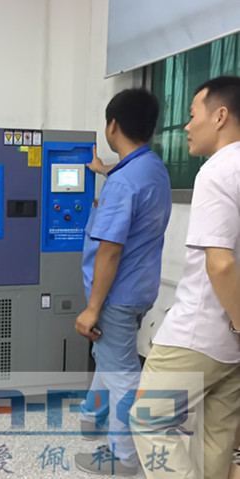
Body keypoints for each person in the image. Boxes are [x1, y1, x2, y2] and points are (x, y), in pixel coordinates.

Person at [130, 76, 240, 479]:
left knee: (148, 419)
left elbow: (221, 264)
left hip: (199, 331)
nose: (187, 126)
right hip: (230, 345)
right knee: (217, 436)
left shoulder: (217, 171)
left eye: (193, 115)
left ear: (221, 116)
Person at [74, 88, 172, 475]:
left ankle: (124, 458)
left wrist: (92, 308)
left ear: (112, 125)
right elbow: (129, 182)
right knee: (110, 356)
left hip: (115, 295)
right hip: (141, 290)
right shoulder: (153, 168)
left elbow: (110, 251)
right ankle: (91, 417)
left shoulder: (123, 183)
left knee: (123, 375)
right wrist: (102, 170)